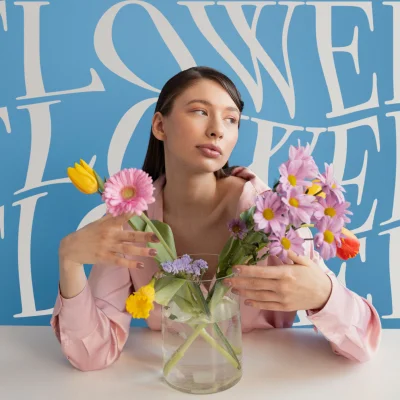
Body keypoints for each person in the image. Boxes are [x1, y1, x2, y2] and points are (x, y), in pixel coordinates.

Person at [51, 66, 381, 372]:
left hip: (273, 381)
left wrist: (324, 295)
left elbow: (362, 346)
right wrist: (69, 260)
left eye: (231, 119)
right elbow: (90, 354)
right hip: (168, 382)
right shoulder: (130, 222)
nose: (217, 130)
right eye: (200, 111)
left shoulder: (273, 215)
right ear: (160, 125)